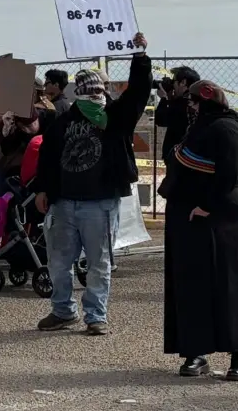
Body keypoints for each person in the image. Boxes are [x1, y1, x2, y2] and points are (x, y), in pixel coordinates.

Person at [34, 33, 151, 336]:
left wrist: (139, 57)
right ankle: (62, 311)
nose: (94, 94)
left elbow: (138, 92)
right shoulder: (63, 122)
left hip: (101, 202)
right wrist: (42, 189)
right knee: (58, 262)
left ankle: (95, 315)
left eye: (98, 89)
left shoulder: (116, 117)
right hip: (64, 201)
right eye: (88, 89)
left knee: (99, 263)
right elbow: (47, 156)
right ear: (78, 92)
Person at [162, 81, 238, 382]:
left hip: (219, 214)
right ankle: (195, 351)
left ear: (206, 103)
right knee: (192, 284)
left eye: (193, 102)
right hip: (189, 213)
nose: (190, 107)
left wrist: (207, 205)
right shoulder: (199, 126)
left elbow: (232, 173)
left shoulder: (226, 128)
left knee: (230, 283)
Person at [155, 66, 201, 160]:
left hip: (179, 157)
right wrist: (170, 99)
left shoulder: (183, 103)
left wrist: (163, 99)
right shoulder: (195, 101)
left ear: (183, 82)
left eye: (174, 81)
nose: (173, 85)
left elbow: (160, 120)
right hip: (190, 154)